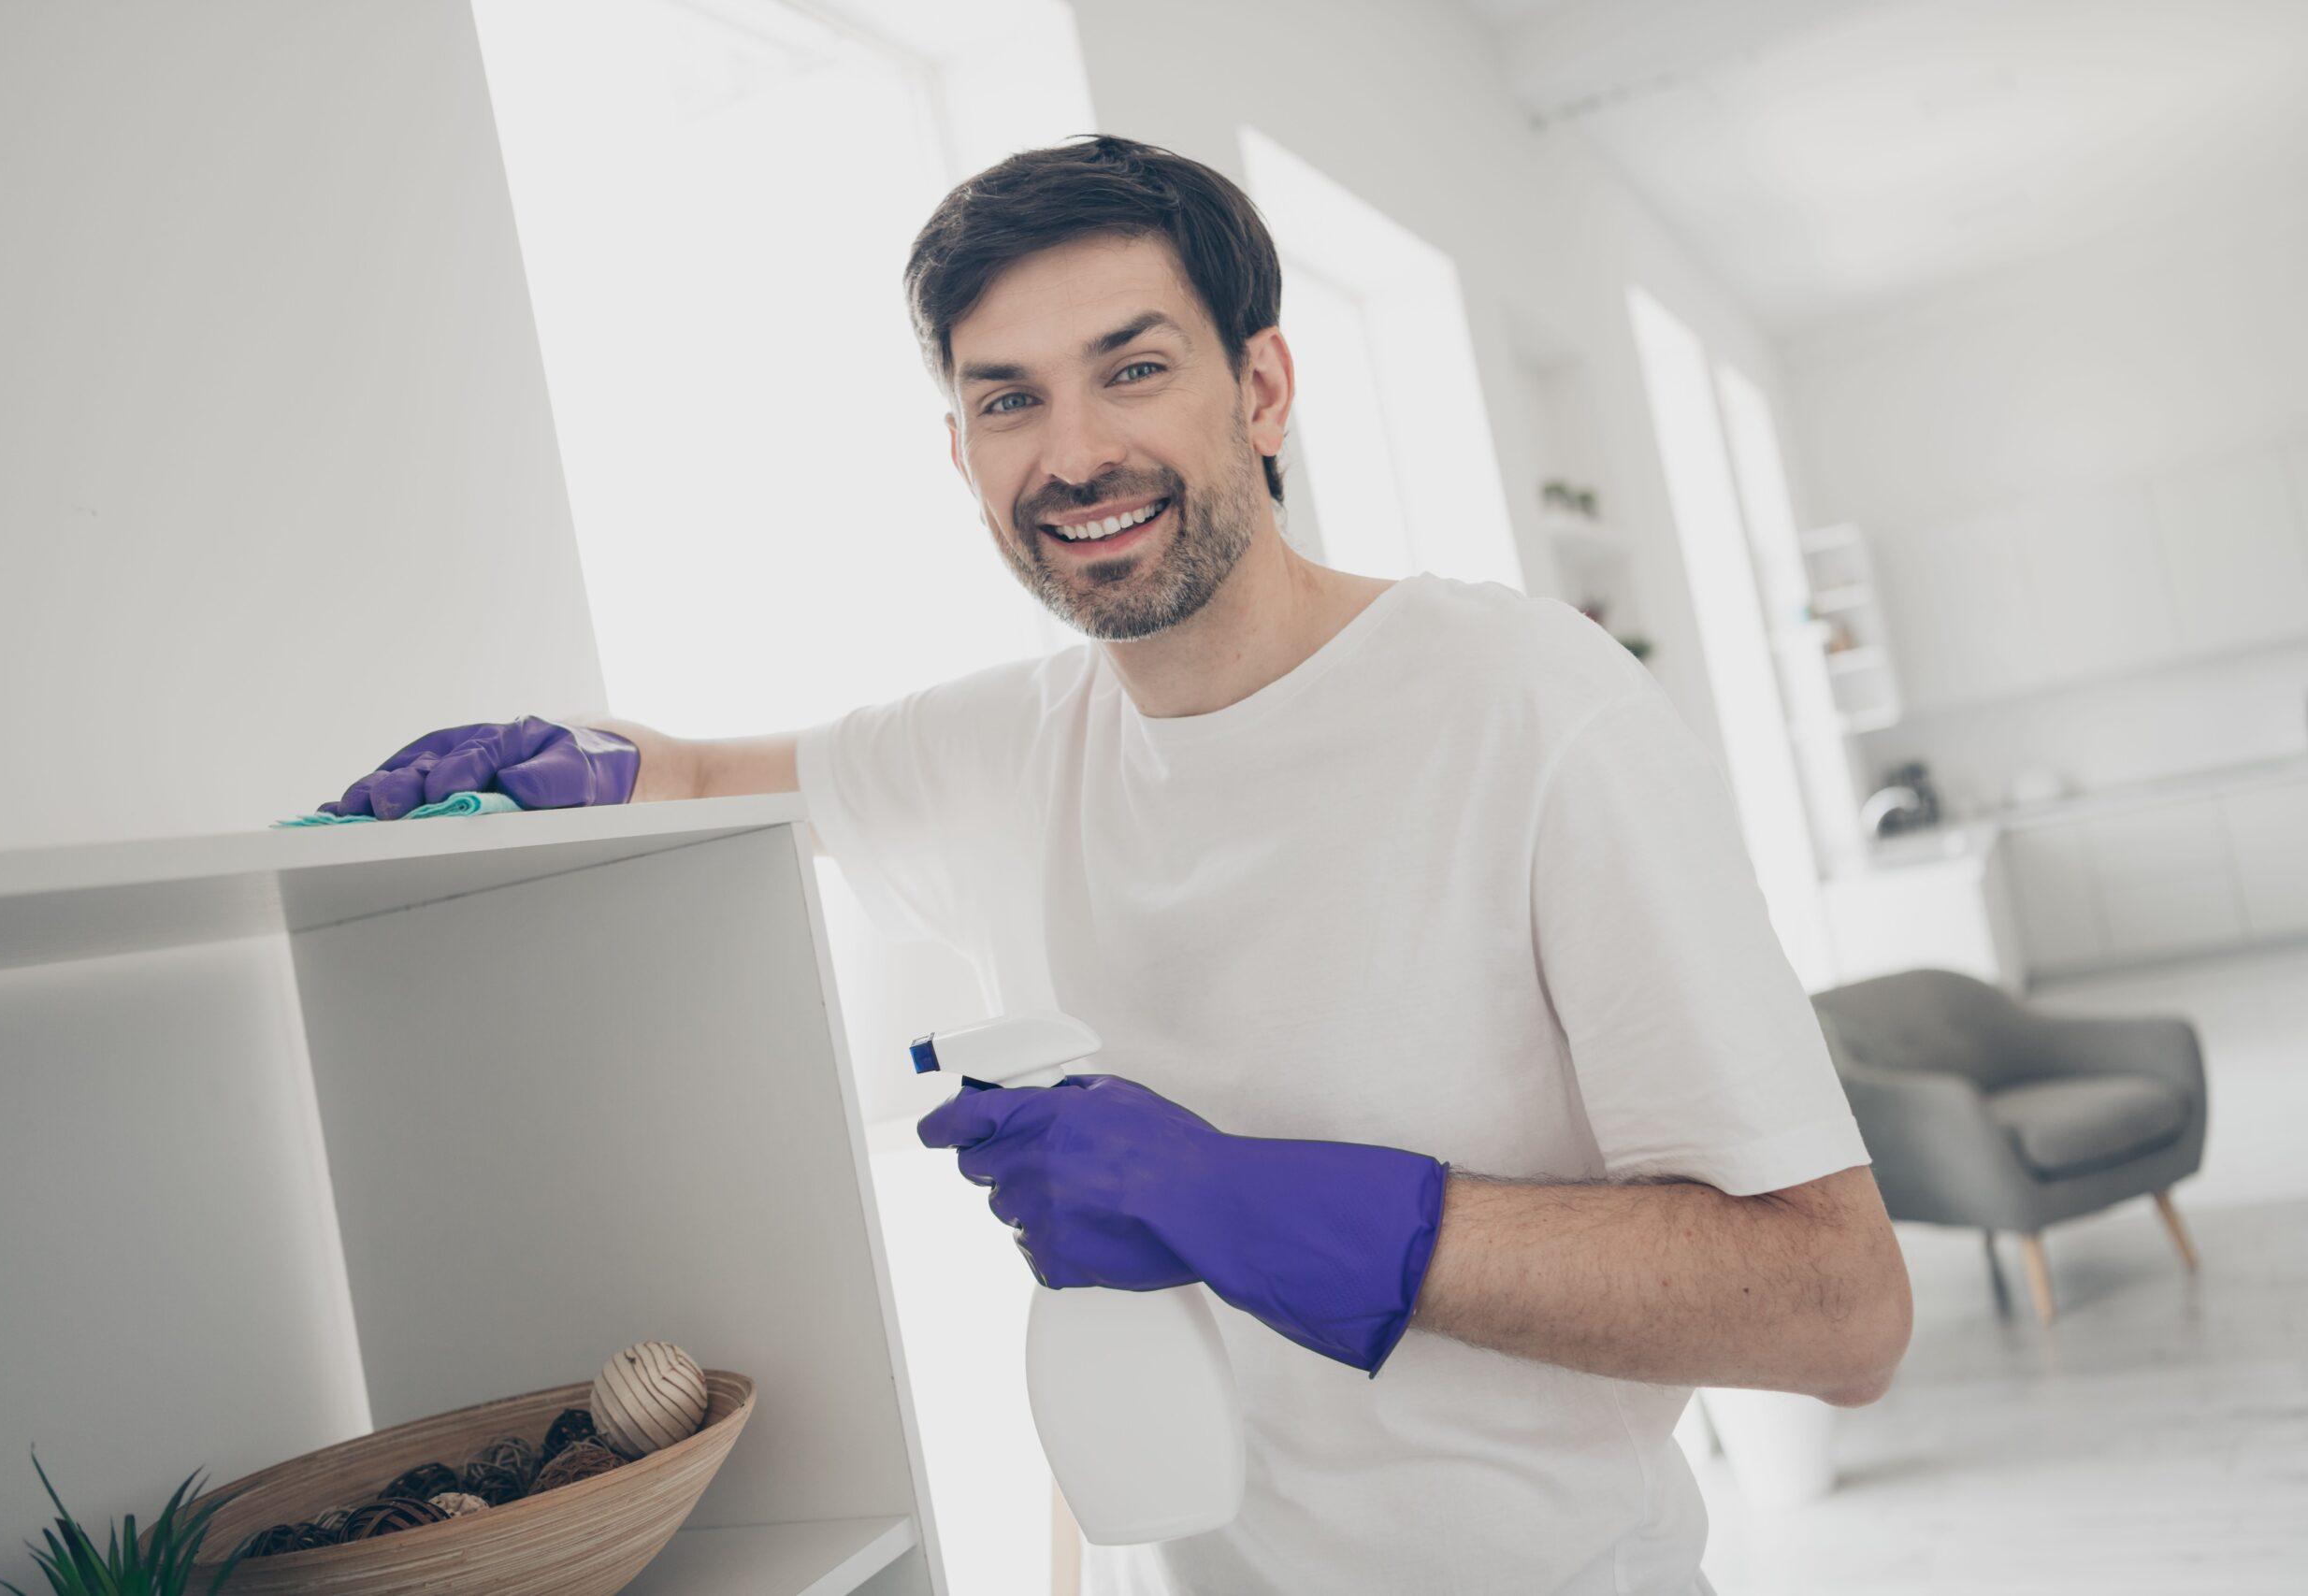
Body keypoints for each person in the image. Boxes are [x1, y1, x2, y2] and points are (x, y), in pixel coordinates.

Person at [319, 135, 1911, 1596]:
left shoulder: (1534, 709)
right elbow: (710, 776)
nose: (1073, 455)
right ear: (961, 453)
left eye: (1131, 370)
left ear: (1264, 390)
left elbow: (1838, 1306)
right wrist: (564, 759)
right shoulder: (1011, 743)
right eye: (1010, 399)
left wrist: (1244, 1200)